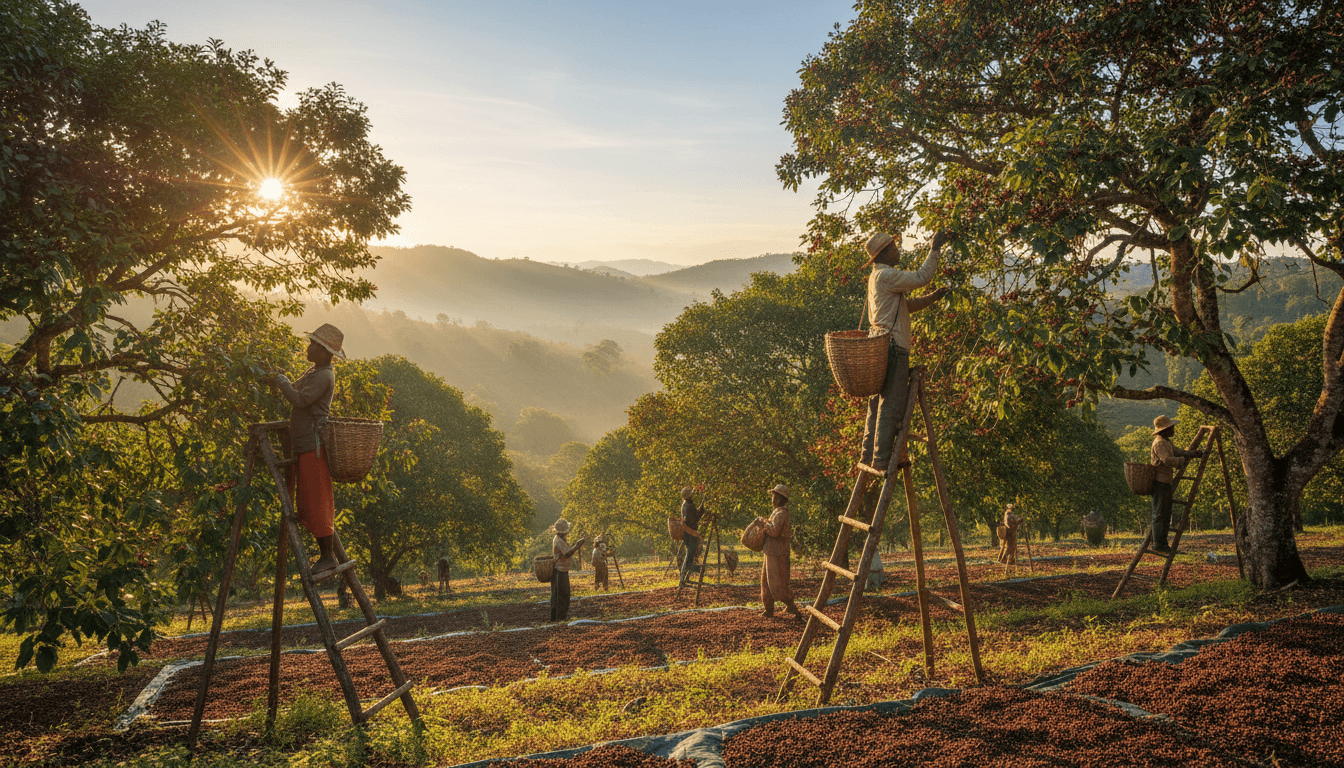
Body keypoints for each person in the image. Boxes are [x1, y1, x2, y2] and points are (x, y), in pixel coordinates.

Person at [859, 231, 953, 474]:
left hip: (879, 344)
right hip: (893, 347)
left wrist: (933, 297)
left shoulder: (877, 276)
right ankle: (881, 459)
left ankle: (869, 454)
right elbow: (923, 276)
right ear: (885, 253)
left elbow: (905, 307)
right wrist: (935, 249)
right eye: (894, 247)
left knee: (876, 403)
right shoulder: (888, 275)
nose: (898, 250)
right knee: (891, 402)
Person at [266, 323, 346, 575]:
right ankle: (326, 554)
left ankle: (327, 556)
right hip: (304, 443)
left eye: (313, 345)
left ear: (324, 352)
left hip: (314, 444)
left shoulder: (323, 375)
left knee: (317, 500)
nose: (309, 347)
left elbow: (299, 399)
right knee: (308, 500)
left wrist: (281, 381)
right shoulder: (315, 371)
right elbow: (298, 391)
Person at [1150, 415, 1203, 554]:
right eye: (1171, 427)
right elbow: (1167, 459)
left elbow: (1177, 451)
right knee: (1160, 513)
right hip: (1160, 481)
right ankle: (1158, 544)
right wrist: (1181, 460)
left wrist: (1190, 454)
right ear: (1165, 430)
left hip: (1165, 481)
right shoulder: (1160, 443)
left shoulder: (1166, 441)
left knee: (1165, 513)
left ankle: (1161, 543)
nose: (1173, 429)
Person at [758, 484, 802, 619]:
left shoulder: (782, 513)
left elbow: (774, 531)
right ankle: (769, 609)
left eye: (774, 497)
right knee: (765, 582)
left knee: (776, 583)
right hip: (771, 551)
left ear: (779, 499)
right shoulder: (777, 512)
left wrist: (763, 524)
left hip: (777, 553)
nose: (772, 499)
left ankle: (793, 608)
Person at [550, 518, 586, 622]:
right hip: (559, 570)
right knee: (561, 595)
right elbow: (567, 554)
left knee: (561, 595)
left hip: (562, 570)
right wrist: (577, 546)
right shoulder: (559, 541)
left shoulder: (560, 539)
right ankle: (559, 619)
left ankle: (559, 618)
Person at [679, 486, 707, 585]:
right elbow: (695, 518)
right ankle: (684, 577)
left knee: (690, 554)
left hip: (688, 533)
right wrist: (703, 506)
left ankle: (683, 578)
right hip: (691, 533)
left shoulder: (686, 504)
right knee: (690, 555)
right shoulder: (689, 505)